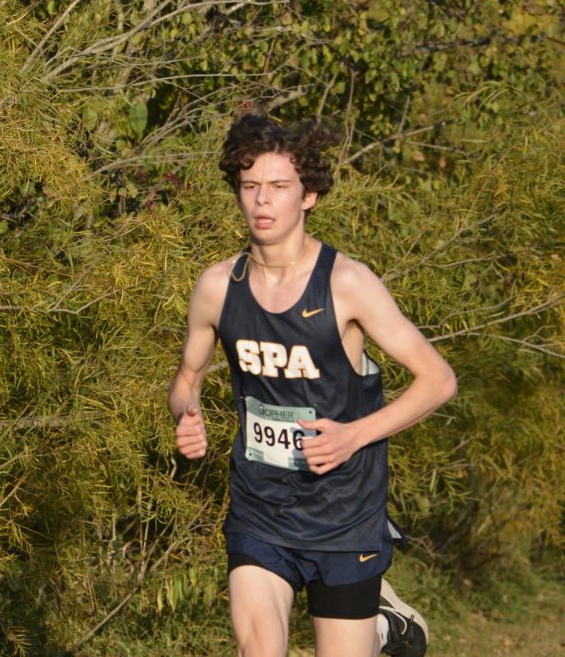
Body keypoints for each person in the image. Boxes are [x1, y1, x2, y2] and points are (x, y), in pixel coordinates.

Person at [168, 114, 457, 657]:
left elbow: (438, 380)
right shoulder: (216, 288)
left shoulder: (347, 283)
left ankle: (379, 628)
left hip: (345, 517)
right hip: (261, 510)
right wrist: (187, 413)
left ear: (309, 196)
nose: (262, 201)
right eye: (251, 186)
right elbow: (187, 380)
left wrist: (354, 436)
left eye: (279, 187)